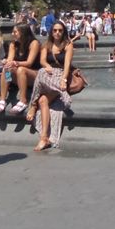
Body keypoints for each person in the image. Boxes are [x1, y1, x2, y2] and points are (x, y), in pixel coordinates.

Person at [26, 20, 74, 151]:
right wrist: (47, 66)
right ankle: (44, 137)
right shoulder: (46, 45)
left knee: (42, 99)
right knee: (42, 72)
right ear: (51, 32)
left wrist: (63, 80)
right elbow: (42, 61)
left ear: (63, 32)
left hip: (60, 76)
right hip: (48, 74)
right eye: (55, 30)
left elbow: (67, 65)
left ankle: (43, 136)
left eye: (60, 30)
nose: (57, 33)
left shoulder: (68, 44)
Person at [0, 23, 41, 114]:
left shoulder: (34, 43)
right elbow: (10, 60)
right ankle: (3, 99)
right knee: (7, 68)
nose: (12, 34)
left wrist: (16, 63)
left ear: (23, 32)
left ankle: (23, 100)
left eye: (15, 32)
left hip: (34, 74)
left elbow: (29, 63)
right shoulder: (13, 44)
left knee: (21, 69)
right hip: (19, 76)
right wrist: (6, 62)